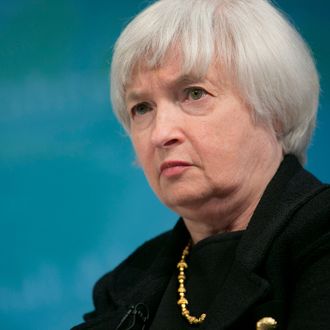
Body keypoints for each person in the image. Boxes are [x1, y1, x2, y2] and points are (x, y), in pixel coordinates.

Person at [72, 0, 330, 329]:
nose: (160, 134)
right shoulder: (124, 287)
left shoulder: (320, 238)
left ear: (274, 109)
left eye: (194, 93)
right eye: (142, 108)